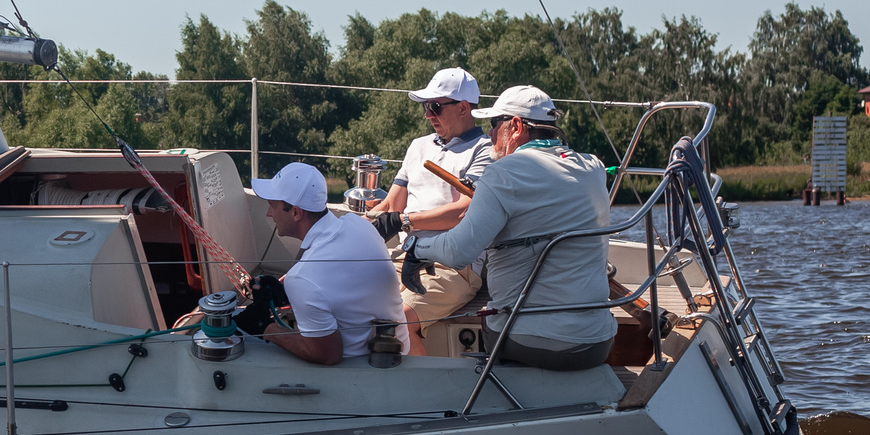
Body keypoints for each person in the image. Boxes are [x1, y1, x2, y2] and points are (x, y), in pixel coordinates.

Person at [409, 85, 616, 370]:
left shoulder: (503, 174)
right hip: (598, 341)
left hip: (530, 340)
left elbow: (458, 251)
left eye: (495, 125)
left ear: (516, 126)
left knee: (486, 321)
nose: (490, 134)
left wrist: (416, 247)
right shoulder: (593, 167)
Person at [368, 66, 494, 347]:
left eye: (435, 106)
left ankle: (420, 391)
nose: (428, 115)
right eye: (426, 107)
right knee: (352, 307)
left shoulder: (485, 150)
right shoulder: (418, 146)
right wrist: (354, 224)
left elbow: (465, 211)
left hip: (453, 265)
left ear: (463, 108)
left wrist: (405, 222)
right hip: (404, 257)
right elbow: (392, 203)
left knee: (396, 322)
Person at [239, 161, 408, 365]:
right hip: (401, 358)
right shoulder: (358, 225)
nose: (268, 213)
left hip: (361, 377)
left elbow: (327, 354)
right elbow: (338, 285)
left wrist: (266, 328)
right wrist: (284, 292)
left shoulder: (303, 278)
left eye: (272, 205)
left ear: (295, 212)